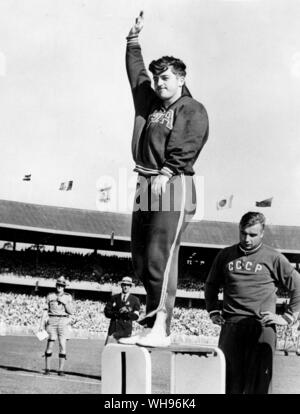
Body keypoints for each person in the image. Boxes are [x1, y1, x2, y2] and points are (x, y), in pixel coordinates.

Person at [119, 11, 209, 347]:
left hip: (174, 183)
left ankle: (163, 327)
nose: (159, 84)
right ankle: (154, 323)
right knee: (140, 258)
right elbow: (136, 76)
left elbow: (190, 142)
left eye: (167, 78)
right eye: (158, 79)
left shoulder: (191, 108)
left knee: (160, 254)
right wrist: (133, 42)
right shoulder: (150, 101)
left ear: (181, 79)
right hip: (146, 182)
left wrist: (168, 171)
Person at [205, 211, 300, 394]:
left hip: (261, 326)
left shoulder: (274, 257)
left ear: (262, 233)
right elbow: (211, 284)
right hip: (231, 326)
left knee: (259, 386)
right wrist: (212, 311)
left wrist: (287, 317)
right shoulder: (225, 255)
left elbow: (298, 284)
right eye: (243, 233)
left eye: (253, 235)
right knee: (228, 384)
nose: (247, 239)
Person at [39, 276, 74, 376]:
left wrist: (64, 302)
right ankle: (47, 369)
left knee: (62, 345)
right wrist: (41, 325)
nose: (60, 287)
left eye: (62, 285)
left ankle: (61, 370)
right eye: (58, 285)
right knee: (50, 344)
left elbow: (71, 311)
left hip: (63, 321)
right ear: (56, 285)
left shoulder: (68, 297)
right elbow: (45, 311)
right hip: (52, 320)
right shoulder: (50, 296)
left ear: (64, 287)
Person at [104, 276, 141, 344]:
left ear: (130, 286)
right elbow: (106, 312)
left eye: (128, 285)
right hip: (113, 329)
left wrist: (128, 312)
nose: (126, 287)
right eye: (124, 285)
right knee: (109, 351)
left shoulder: (135, 299)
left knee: (124, 352)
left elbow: (136, 316)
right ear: (121, 285)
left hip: (126, 331)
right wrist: (118, 313)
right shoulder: (114, 298)